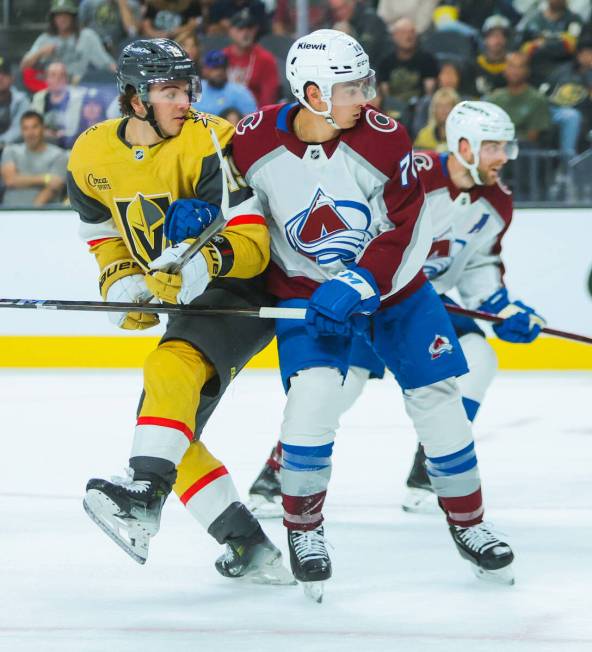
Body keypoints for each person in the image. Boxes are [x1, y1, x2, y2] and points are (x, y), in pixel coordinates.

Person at [172, 30, 517, 599]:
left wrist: (361, 281)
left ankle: (471, 524)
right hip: (307, 295)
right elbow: (237, 205)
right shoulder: (254, 139)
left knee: (438, 398)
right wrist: (202, 220)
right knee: (312, 404)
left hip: (396, 294)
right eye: (351, 87)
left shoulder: (385, 140)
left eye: (365, 83)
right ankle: (304, 531)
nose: (367, 97)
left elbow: (407, 228)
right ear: (311, 92)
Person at [247, 101, 545, 525]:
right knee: (340, 388)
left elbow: (480, 264)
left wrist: (505, 307)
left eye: (504, 147)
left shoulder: (498, 201)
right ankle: (276, 472)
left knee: (480, 359)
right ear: (464, 145)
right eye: (493, 146)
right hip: (370, 296)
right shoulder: (416, 172)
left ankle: (429, 468)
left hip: (425, 300)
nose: (503, 157)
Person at [67, 38, 292, 584]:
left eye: (186, 89)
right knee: (169, 430)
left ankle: (143, 498)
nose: (185, 101)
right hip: (184, 296)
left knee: (169, 370)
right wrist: (121, 281)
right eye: (169, 91)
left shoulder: (210, 140)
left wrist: (204, 263)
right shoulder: (90, 155)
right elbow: (101, 232)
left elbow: (255, 242)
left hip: (240, 290)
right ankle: (250, 547)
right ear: (135, 98)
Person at [20, 0, 116, 86]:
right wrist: (40, 52)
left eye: (66, 14)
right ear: (53, 18)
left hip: (80, 87)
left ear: (73, 17)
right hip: (52, 89)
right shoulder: (45, 39)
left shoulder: (87, 36)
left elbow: (107, 64)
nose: (62, 19)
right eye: (58, 15)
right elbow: (23, 67)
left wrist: (124, 78)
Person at [1, 110, 67, 207]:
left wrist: (31, 213)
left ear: (43, 128)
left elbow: (54, 186)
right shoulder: (10, 151)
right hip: (7, 213)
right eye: (25, 128)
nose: (30, 133)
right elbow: (10, 180)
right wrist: (46, 178)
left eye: (34, 127)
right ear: (21, 131)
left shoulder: (59, 155)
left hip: (44, 215)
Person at [223, 10, 280, 107]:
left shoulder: (265, 59)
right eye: (240, 28)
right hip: (222, 114)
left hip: (254, 116)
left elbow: (268, 98)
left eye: (249, 28)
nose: (245, 33)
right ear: (230, 31)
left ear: (255, 30)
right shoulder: (221, 56)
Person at [30, 62, 87, 149]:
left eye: (62, 75)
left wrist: (58, 134)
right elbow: (33, 126)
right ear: (46, 79)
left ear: (66, 79)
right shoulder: (39, 98)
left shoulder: (77, 97)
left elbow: (74, 129)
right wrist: (44, 132)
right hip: (43, 145)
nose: (58, 78)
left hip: (69, 145)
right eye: (53, 75)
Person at [193, 49, 257, 117]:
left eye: (222, 67)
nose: (219, 72)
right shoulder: (196, 88)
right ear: (204, 70)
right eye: (215, 68)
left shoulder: (240, 92)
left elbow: (252, 119)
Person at [0, 57, 29, 155]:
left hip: (14, 150)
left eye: (4, 74)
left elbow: (19, 129)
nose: (0, 77)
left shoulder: (21, 100)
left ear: (12, 78)